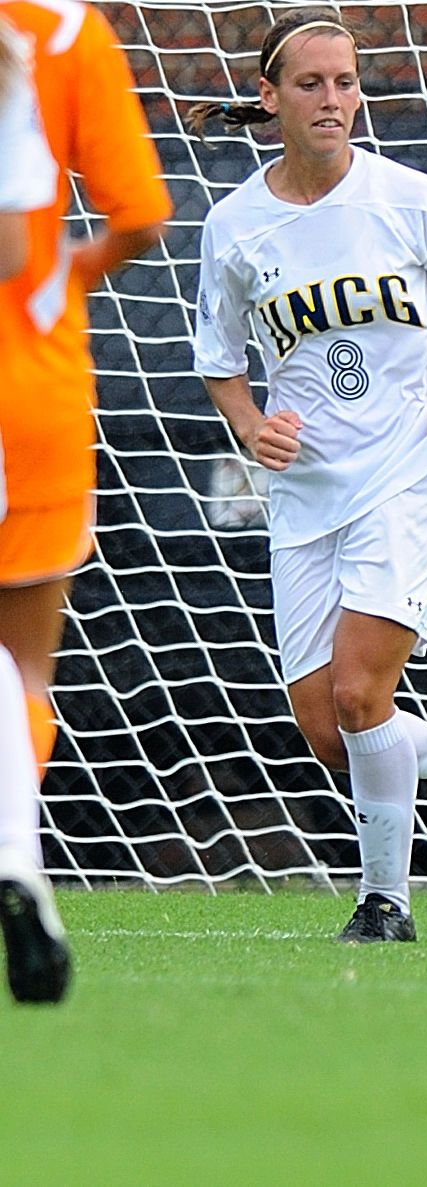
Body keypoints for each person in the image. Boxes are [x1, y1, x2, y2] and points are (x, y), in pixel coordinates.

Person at [187, 10, 427, 944]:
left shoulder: (416, 201)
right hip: (307, 492)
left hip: (411, 471)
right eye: (311, 84)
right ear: (270, 98)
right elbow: (219, 357)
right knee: (331, 729)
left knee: (358, 692)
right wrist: (254, 427)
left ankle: (387, 901)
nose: (333, 100)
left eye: (345, 82)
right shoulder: (234, 225)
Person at [0, 1, 172, 1005]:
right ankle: (18, 862)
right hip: (32, 385)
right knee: (21, 661)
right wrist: (74, 273)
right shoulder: (64, 32)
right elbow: (139, 212)